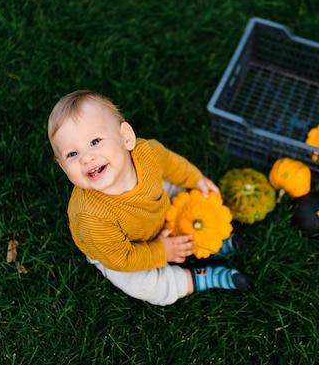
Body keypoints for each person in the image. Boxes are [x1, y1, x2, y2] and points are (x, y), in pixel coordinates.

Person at [47, 90, 248, 306]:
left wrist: (196, 180)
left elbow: (171, 164)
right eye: (72, 154)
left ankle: (203, 238)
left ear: (126, 137)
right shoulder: (91, 217)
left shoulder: (147, 154)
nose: (87, 157)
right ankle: (198, 277)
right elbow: (121, 258)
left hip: (154, 202)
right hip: (123, 250)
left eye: (95, 141)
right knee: (145, 285)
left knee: (182, 192)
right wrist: (162, 251)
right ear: (62, 166)